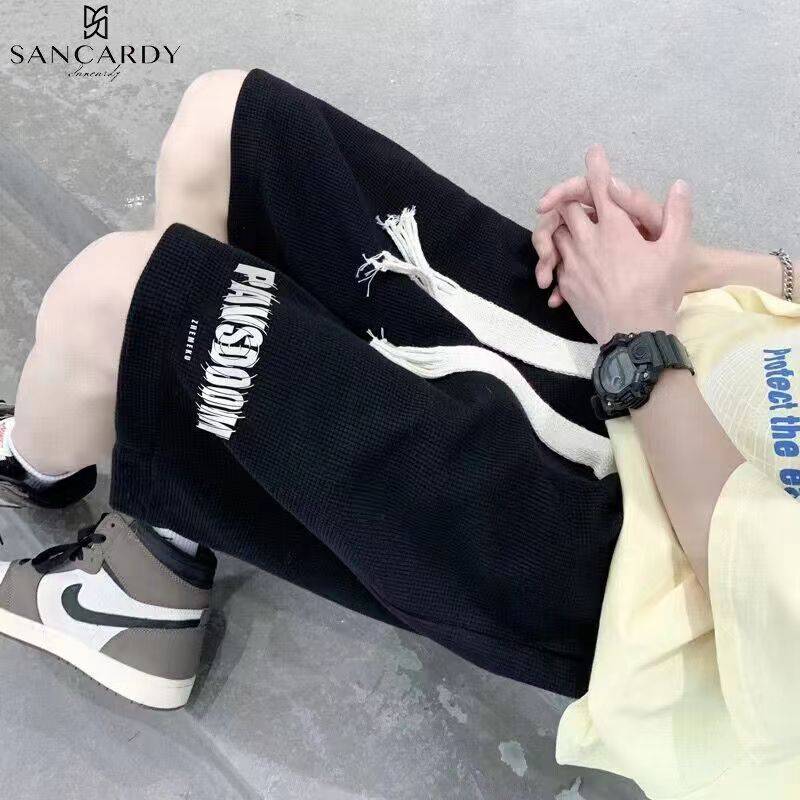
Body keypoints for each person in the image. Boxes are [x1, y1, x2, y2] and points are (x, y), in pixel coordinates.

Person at [0, 69, 796, 797]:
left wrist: (640, 341)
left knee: (110, 301)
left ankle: (60, 485)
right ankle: (162, 539)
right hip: (688, 347)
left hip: (661, 565)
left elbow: (768, 596)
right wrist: (698, 270)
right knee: (228, 126)